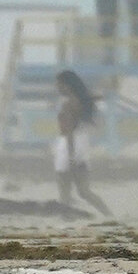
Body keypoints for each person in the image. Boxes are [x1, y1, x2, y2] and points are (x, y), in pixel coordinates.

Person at [54, 69, 112, 217]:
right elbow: (97, 97)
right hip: (82, 143)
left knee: (64, 188)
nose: (57, 87)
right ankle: (109, 214)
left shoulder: (68, 104)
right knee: (84, 191)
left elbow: (68, 131)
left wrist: (71, 155)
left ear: (67, 85)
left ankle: (66, 218)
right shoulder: (82, 100)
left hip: (69, 145)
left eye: (59, 84)